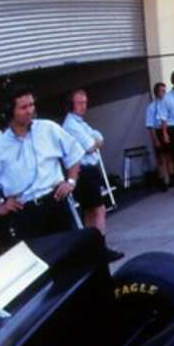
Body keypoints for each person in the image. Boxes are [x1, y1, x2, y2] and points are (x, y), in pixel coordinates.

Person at [0, 83, 84, 244]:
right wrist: (1, 207)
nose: (30, 111)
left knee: (73, 255)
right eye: (23, 107)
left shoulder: (48, 128)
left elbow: (75, 153)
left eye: (31, 105)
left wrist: (71, 182)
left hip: (56, 202)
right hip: (26, 214)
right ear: (10, 110)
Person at [63, 89, 123, 262]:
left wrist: (95, 141)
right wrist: (95, 142)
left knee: (91, 211)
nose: (84, 106)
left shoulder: (80, 123)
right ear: (71, 105)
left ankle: (93, 248)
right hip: (84, 170)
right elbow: (90, 145)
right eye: (79, 103)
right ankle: (100, 248)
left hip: (90, 169)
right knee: (98, 209)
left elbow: (98, 136)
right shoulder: (71, 125)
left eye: (85, 102)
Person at [144, 82, 172, 190]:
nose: (164, 93)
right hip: (158, 132)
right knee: (161, 159)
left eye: (165, 90)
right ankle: (163, 182)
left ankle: (172, 179)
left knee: (170, 156)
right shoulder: (151, 107)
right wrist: (155, 140)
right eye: (162, 91)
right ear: (156, 92)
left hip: (168, 131)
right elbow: (150, 125)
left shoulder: (167, 104)